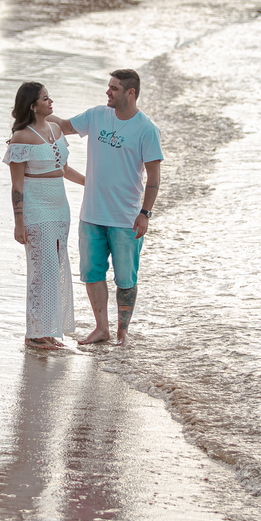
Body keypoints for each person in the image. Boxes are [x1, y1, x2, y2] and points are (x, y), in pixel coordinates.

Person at [48, 69, 162, 347]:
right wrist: (31, 114)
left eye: (114, 88)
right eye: (108, 87)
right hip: (91, 214)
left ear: (130, 93)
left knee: (125, 279)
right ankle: (102, 328)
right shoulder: (97, 115)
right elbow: (63, 125)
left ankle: (123, 332)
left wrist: (144, 213)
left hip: (126, 218)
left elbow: (154, 178)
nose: (107, 92)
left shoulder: (147, 129)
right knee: (92, 273)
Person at [3, 81, 86, 350]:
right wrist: (19, 223)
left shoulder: (55, 129)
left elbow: (63, 169)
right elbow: (17, 185)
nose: (51, 103)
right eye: (46, 99)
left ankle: (49, 330)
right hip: (36, 209)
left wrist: (90, 182)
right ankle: (34, 334)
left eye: (50, 98)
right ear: (32, 105)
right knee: (41, 270)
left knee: (57, 268)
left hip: (60, 207)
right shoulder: (21, 138)